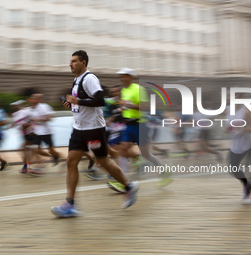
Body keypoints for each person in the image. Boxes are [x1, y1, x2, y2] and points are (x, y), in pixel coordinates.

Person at [51, 50, 139, 217]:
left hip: (93, 129)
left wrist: (78, 101)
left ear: (83, 63)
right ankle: (69, 204)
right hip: (79, 129)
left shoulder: (89, 78)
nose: (70, 64)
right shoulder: (76, 80)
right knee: (71, 161)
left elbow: (100, 100)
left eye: (74, 61)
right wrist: (71, 105)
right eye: (70, 61)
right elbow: (82, 104)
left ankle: (129, 186)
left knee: (104, 162)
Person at [107, 68, 170, 192]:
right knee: (122, 150)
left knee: (146, 154)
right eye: (121, 77)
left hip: (140, 125)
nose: (122, 79)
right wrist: (122, 108)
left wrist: (128, 105)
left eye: (125, 76)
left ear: (131, 77)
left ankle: (165, 170)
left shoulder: (139, 89)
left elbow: (145, 107)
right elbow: (125, 105)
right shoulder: (124, 90)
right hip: (128, 125)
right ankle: (123, 182)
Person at [226, 93, 251, 201]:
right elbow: (227, 128)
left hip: (248, 145)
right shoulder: (229, 111)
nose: (231, 98)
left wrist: (243, 129)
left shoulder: (245, 112)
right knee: (232, 168)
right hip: (236, 145)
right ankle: (247, 185)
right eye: (229, 96)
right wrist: (228, 129)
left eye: (235, 97)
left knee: (250, 168)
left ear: (240, 99)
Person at [28, 93, 61, 173]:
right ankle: (51, 157)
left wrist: (37, 120)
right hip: (37, 132)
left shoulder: (43, 107)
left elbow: (48, 118)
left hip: (46, 132)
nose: (33, 100)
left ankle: (58, 156)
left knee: (51, 150)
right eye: (32, 98)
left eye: (35, 98)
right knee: (36, 149)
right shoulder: (33, 108)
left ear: (39, 99)